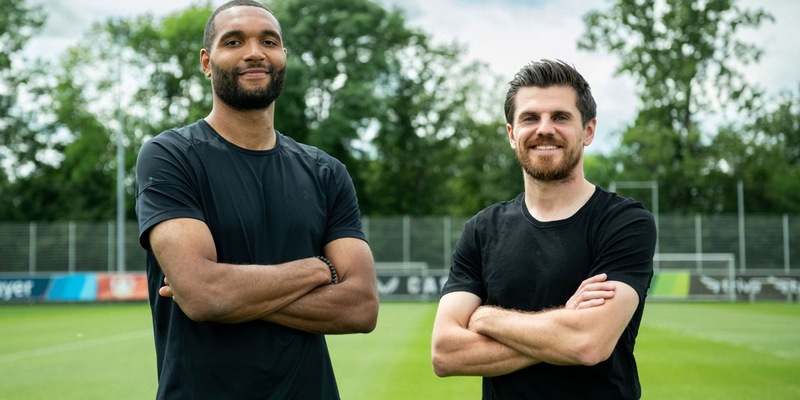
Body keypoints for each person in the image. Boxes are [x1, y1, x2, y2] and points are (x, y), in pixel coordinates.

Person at [134, 1, 378, 398]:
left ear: (283, 57)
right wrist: (319, 270)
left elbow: (362, 307)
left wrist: (224, 292)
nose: (254, 52)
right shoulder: (170, 155)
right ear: (207, 62)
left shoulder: (326, 171)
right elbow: (203, 295)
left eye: (269, 41)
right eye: (234, 41)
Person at [431, 59, 656, 399]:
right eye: (530, 118)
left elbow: (588, 344)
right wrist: (564, 324)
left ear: (589, 130)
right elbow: (445, 353)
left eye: (561, 117)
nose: (545, 129)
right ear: (511, 135)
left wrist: (486, 318)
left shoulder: (623, 222)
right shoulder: (481, 230)